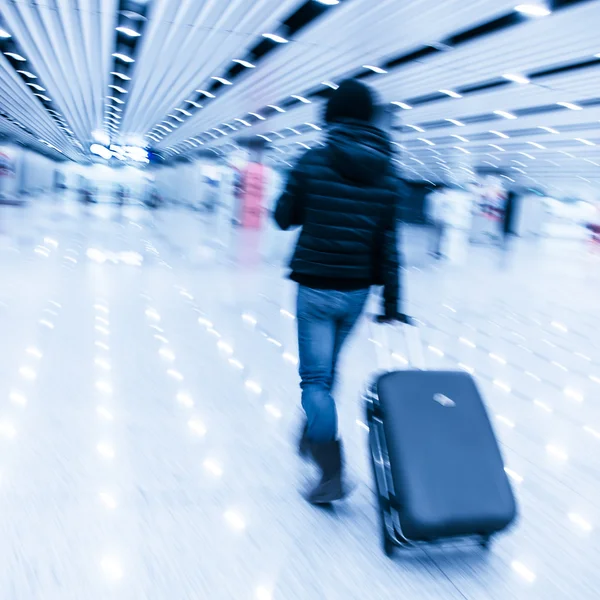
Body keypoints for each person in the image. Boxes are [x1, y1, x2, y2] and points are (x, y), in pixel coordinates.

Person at [273, 79, 404, 504]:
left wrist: (295, 188)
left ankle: (332, 474)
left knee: (315, 381)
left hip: (315, 286)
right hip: (356, 293)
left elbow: (283, 218)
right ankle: (313, 430)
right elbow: (389, 245)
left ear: (330, 116)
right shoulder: (389, 174)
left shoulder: (312, 160)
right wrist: (392, 305)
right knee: (327, 372)